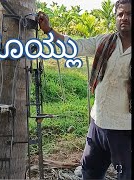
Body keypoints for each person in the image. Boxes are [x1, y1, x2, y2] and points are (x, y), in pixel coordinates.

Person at [38, 0, 131, 179]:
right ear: (115, 18)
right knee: (90, 174)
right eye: (120, 14)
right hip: (98, 124)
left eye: (129, 13)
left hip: (124, 129)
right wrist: (49, 31)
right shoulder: (105, 42)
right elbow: (75, 46)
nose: (124, 18)